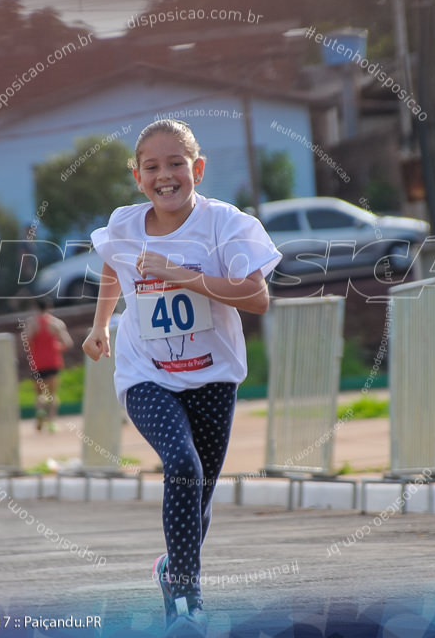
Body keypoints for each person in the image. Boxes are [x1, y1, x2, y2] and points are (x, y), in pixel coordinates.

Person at [82, 119, 280, 635]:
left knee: (200, 495)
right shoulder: (124, 224)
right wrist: (101, 324)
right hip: (146, 373)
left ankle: (172, 570)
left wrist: (179, 274)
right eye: (152, 167)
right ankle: (188, 599)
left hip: (213, 374)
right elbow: (112, 266)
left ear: (198, 168)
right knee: (181, 463)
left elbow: (257, 297)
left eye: (176, 164)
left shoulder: (225, 224)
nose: (165, 176)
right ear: (137, 175)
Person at [24, 299, 73, 432]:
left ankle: (40, 411)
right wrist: (56, 347)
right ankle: (51, 422)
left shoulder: (32, 323)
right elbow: (68, 343)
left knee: (39, 393)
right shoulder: (56, 323)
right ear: (49, 306)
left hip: (37, 362)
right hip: (53, 362)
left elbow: (27, 341)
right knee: (52, 394)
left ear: (36, 307)